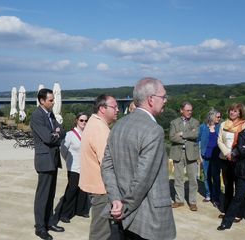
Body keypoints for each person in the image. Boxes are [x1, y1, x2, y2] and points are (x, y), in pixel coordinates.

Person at [101, 77, 176, 240]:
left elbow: (107, 167)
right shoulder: (154, 130)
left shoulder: (118, 126)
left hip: (122, 215)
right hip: (149, 221)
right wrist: (124, 207)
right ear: (151, 99)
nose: (165, 101)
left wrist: (116, 202)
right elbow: (143, 179)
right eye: (163, 97)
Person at [79, 94, 119, 240]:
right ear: (102, 109)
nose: (118, 110)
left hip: (97, 186)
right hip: (102, 188)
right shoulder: (100, 129)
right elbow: (108, 163)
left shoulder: (94, 123)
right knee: (101, 233)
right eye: (114, 107)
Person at [30, 88, 66, 240]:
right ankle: (40, 227)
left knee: (51, 194)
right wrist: (56, 133)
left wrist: (56, 132)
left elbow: (62, 131)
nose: (53, 102)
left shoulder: (50, 114)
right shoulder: (37, 116)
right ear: (42, 101)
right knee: (43, 195)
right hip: (44, 160)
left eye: (53, 99)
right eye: (51, 100)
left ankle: (49, 222)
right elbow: (47, 138)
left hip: (53, 158)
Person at [52, 113, 90, 224]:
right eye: (81, 120)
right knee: (72, 190)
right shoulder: (70, 134)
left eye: (86, 121)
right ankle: (65, 213)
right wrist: (69, 161)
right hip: (74, 167)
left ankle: (80, 210)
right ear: (76, 121)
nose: (84, 122)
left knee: (83, 189)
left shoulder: (87, 134)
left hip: (85, 167)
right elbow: (63, 150)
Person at [217, 103, 245, 220]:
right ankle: (227, 210)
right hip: (225, 159)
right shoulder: (223, 124)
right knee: (228, 185)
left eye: (235, 111)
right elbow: (219, 140)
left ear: (240, 113)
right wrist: (227, 153)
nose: (232, 113)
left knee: (239, 187)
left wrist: (234, 153)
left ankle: (239, 213)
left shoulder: (244, 125)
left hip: (238, 159)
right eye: (231, 110)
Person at [170, 101, 200, 211]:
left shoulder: (195, 122)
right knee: (178, 178)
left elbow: (196, 134)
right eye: (187, 110)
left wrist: (182, 134)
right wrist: (189, 135)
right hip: (178, 153)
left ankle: (192, 202)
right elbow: (172, 137)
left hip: (191, 153)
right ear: (181, 110)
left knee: (193, 179)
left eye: (191, 110)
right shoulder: (174, 122)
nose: (190, 112)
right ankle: (179, 200)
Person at [197, 109, 222, 206]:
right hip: (206, 156)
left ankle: (216, 198)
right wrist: (199, 156)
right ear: (211, 116)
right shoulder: (203, 127)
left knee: (216, 177)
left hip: (217, 157)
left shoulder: (220, 127)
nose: (219, 119)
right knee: (207, 176)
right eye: (217, 117)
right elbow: (198, 141)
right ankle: (208, 194)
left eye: (220, 117)